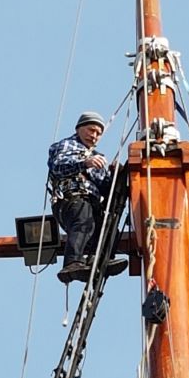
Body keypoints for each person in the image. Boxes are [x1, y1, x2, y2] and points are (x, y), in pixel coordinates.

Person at [48, 111, 128, 284]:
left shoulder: (97, 157)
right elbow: (58, 166)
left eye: (98, 133)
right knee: (84, 223)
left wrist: (116, 174)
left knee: (105, 228)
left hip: (91, 202)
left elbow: (106, 187)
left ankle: (97, 260)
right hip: (72, 198)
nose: (95, 136)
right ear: (79, 129)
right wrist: (84, 163)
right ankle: (72, 262)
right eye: (91, 130)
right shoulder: (68, 145)